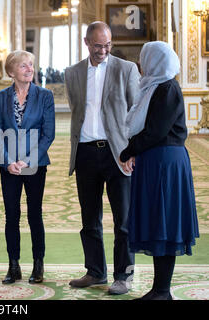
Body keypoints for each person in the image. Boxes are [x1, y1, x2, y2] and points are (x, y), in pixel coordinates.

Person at [119, 41, 199, 300]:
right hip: (156, 161)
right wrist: (133, 150)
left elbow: (155, 131)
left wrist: (128, 150)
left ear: (156, 61)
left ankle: (162, 290)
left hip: (165, 163)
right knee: (157, 223)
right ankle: (158, 289)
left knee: (165, 224)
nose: (141, 64)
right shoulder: (154, 86)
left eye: (145, 59)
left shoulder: (167, 88)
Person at [64, 21, 140, 295]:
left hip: (117, 153)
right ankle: (95, 272)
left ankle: (124, 274)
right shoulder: (72, 73)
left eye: (108, 45)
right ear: (86, 43)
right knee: (89, 219)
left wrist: (131, 151)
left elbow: (136, 112)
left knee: (123, 219)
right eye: (98, 45)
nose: (103, 50)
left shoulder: (126, 69)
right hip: (85, 152)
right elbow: (77, 110)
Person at [0, 50, 55, 284]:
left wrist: (28, 160)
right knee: (11, 216)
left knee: (34, 215)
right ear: (11, 72)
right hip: (9, 166)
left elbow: (48, 134)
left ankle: (38, 265)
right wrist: (8, 161)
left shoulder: (44, 96)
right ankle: (13, 266)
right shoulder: (0, 98)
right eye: (24, 66)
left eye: (31, 65)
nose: (30, 69)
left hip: (35, 164)